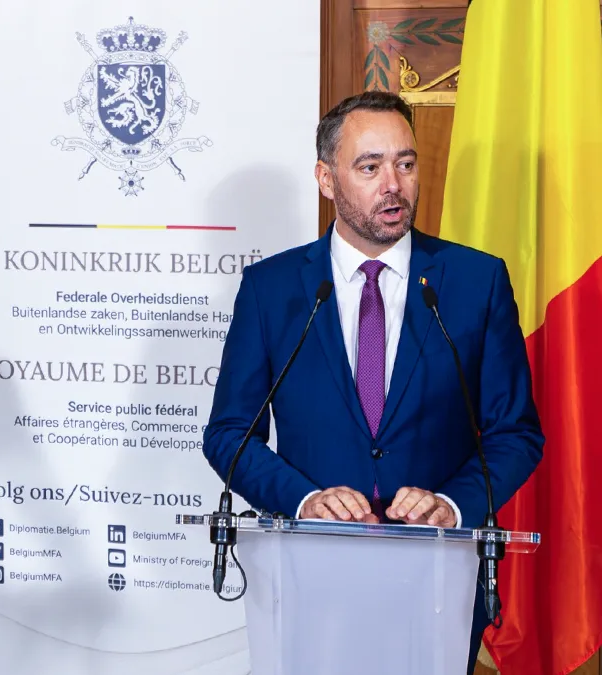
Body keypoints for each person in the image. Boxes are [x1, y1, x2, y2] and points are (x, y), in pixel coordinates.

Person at [202, 91, 543, 674]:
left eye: (405, 164)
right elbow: (230, 433)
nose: (394, 184)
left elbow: (516, 433)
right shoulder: (274, 288)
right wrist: (304, 499)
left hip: (435, 585)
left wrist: (452, 504)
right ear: (326, 179)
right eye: (370, 167)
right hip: (310, 578)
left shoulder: (474, 282)